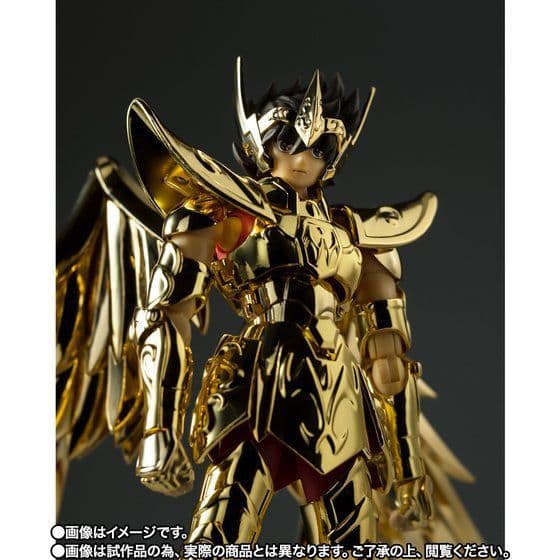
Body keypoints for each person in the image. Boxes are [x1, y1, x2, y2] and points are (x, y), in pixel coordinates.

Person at [56, 57, 479, 547]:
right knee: (219, 537)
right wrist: (160, 430)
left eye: (319, 147)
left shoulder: (358, 237)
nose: (302, 158)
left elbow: (390, 364)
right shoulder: (228, 216)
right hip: (256, 388)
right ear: (260, 145)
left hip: (339, 401)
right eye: (287, 142)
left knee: (355, 546)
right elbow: (167, 317)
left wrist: (409, 472)